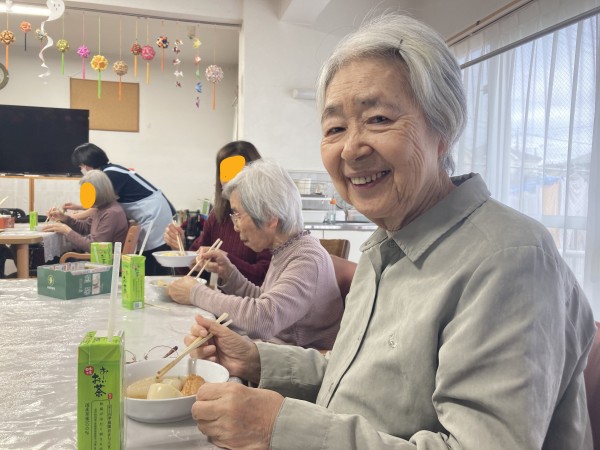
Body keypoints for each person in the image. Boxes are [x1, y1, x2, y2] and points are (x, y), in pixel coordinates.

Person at [182, 13, 596, 450]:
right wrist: (256, 359)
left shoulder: (510, 259)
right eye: (335, 128)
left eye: (378, 119)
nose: (351, 148)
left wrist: (278, 428)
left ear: (443, 129)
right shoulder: (383, 246)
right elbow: (354, 377)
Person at [168, 159, 343, 349]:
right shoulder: (286, 248)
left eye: (238, 215)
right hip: (277, 351)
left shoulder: (307, 258)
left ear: (270, 217)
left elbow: (263, 318)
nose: (235, 226)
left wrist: (196, 293)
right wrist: (229, 273)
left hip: (301, 361)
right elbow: (264, 299)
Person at [163, 140, 271, 285]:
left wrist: (225, 261)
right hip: (215, 296)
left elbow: (264, 278)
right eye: (225, 172)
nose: (230, 180)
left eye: (237, 172)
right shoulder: (218, 216)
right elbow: (194, 271)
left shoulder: (267, 219)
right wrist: (180, 250)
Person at [67, 143, 176, 275]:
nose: (81, 169)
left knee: (153, 254)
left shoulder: (109, 175)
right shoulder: (110, 170)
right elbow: (101, 203)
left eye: (80, 166)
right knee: (148, 253)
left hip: (153, 212)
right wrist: (78, 207)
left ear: (87, 163)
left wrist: (71, 217)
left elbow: (99, 206)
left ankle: (156, 281)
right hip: (151, 209)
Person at [42, 170, 128, 252]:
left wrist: (67, 231)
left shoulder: (111, 213)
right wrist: (64, 218)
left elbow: (96, 248)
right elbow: (84, 227)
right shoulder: (101, 208)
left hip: (104, 260)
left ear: (99, 192)